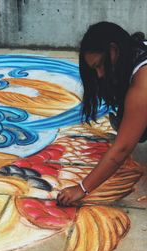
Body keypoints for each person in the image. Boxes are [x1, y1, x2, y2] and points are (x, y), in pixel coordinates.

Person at [57, 21, 147, 206]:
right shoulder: (136, 49)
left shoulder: (143, 82)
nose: (99, 75)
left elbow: (121, 149)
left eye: (99, 65)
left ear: (113, 50)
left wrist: (81, 188)